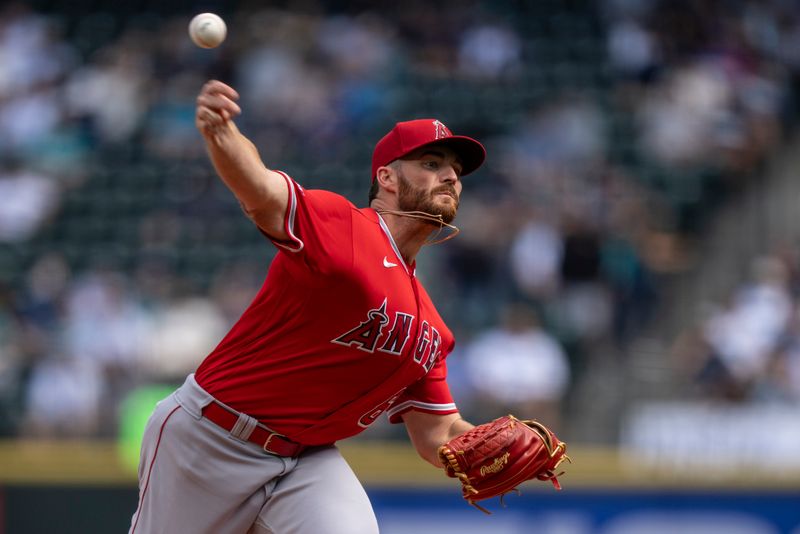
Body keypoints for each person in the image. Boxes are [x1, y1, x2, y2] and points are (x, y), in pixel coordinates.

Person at [129, 79, 487, 534]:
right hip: (211, 438)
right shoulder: (342, 226)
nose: (451, 177)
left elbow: (436, 434)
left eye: (455, 170)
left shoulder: (432, 330)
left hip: (305, 460)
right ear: (387, 178)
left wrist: (487, 444)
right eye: (431, 163)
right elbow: (260, 190)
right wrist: (222, 135)